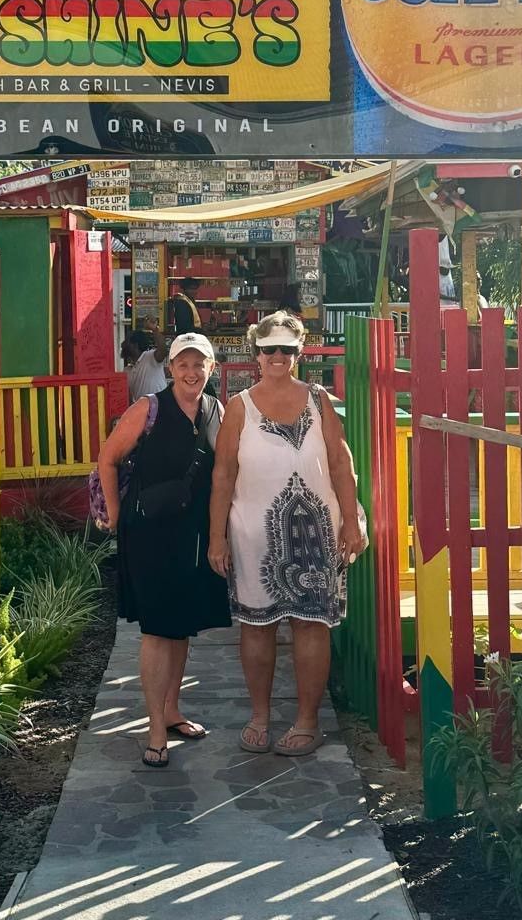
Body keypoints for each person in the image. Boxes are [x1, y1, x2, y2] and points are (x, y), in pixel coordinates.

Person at [208, 310, 367, 758]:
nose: (277, 356)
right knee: (257, 625)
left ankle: (308, 721)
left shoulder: (319, 400)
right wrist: (216, 536)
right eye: (269, 349)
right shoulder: (239, 407)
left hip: (316, 530)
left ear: (299, 353)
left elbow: (340, 462)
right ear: (256, 353)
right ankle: (259, 716)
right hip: (253, 533)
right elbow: (223, 475)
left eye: (287, 349)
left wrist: (350, 520)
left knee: (311, 623)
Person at [97, 332, 231, 769]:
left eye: (199, 364)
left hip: (192, 534)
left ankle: (172, 710)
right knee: (157, 630)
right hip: (149, 533)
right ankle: (156, 728)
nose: (191, 372)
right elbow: (108, 457)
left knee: (180, 626)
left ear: (211, 368)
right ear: (170, 368)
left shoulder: (215, 411)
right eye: (183, 364)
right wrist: (115, 515)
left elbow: (226, 471)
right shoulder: (148, 408)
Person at [121, 327, 168, 402]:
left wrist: (155, 329)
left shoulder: (150, 356)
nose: (123, 345)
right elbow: (128, 397)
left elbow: (163, 350)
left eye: (127, 342)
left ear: (135, 345)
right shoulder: (127, 370)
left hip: (161, 407)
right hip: (143, 408)